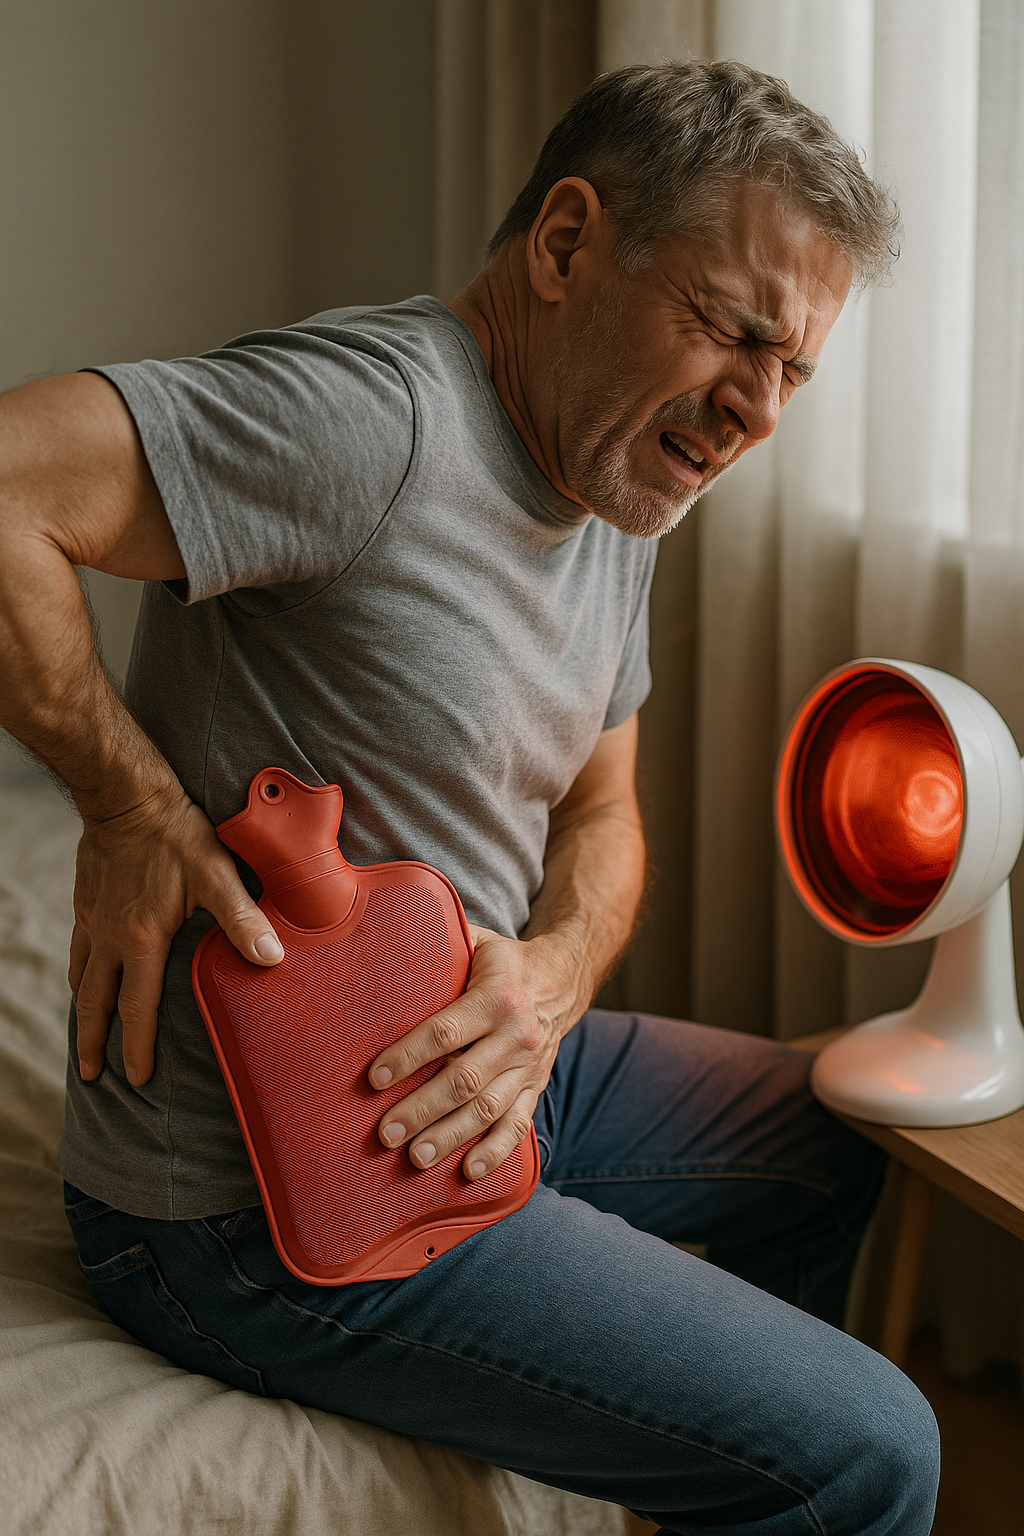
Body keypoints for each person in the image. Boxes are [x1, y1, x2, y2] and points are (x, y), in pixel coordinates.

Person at [0, 59, 939, 1535]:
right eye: (734, 330)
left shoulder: (625, 465)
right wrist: (125, 807)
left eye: (796, 370)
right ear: (568, 244)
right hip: (253, 1209)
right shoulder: (372, 421)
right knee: (879, 1449)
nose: (757, 409)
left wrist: (552, 979)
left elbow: (602, 813)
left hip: (472, 1074)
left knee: (834, 1147)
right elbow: (4, 489)